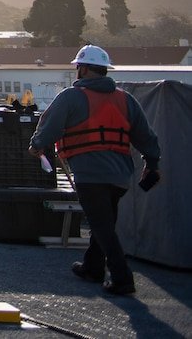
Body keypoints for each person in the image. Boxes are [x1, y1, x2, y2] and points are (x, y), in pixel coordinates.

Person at [28, 44, 161, 296]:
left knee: (102, 225)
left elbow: (51, 125)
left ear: (84, 69)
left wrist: (37, 145)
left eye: (78, 67)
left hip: (90, 173)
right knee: (105, 220)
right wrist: (152, 163)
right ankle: (93, 267)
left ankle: (122, 278)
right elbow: (146, 136)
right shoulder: (126, 99)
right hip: (121, 175)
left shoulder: (71, 97)